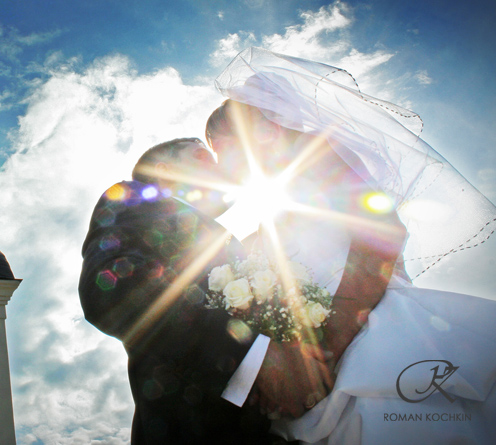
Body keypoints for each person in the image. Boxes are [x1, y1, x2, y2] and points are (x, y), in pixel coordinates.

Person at [206, 47, 496, 444]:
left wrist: (331, 344)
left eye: (225, 149)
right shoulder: (273, 208)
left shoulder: (321, 159)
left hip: (368, 326)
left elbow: (382, 232)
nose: (223, 166)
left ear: (263, 129)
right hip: (305, 345)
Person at [80, 137, 334, 444]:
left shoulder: (229, 240)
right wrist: (254, 359)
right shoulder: (134, 198)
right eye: (202, 156)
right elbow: (113, 293)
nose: (219, 166)